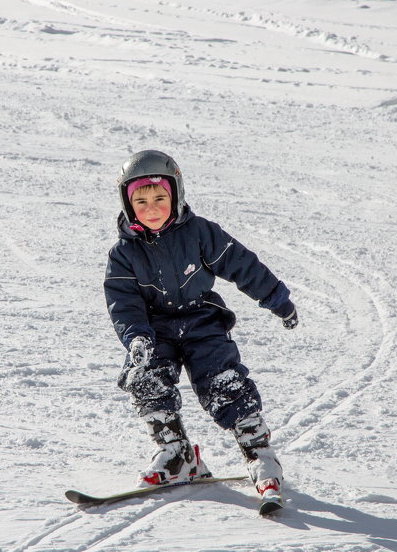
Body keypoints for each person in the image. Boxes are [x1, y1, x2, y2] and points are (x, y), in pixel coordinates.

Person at [104, 149, 298, 510]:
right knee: (145, 377)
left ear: (176, 195)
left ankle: (260, 454)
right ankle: (176, 453)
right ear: (129, 206)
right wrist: (137, 338)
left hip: (202, 322)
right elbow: (123, 303)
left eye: (160, 198)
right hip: (155, 330)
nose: (152, 208)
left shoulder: (199, 233)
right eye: (141, 201)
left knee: (222, 380)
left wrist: (277, 300)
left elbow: (243, 265)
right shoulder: (123, 254)